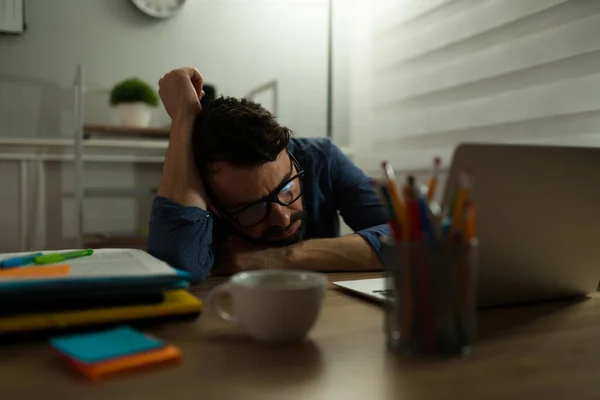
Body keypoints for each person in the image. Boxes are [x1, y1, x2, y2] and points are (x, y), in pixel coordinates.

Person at [147, 67, 390, 283]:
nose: (282, 218)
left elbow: (411, 239)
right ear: (214, 206)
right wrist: (183, 117)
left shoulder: (321, 158)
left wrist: (275, 257)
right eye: (253, 210)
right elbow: (178, 267)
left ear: (292, 158)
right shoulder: (197, 185)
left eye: (287, 190)